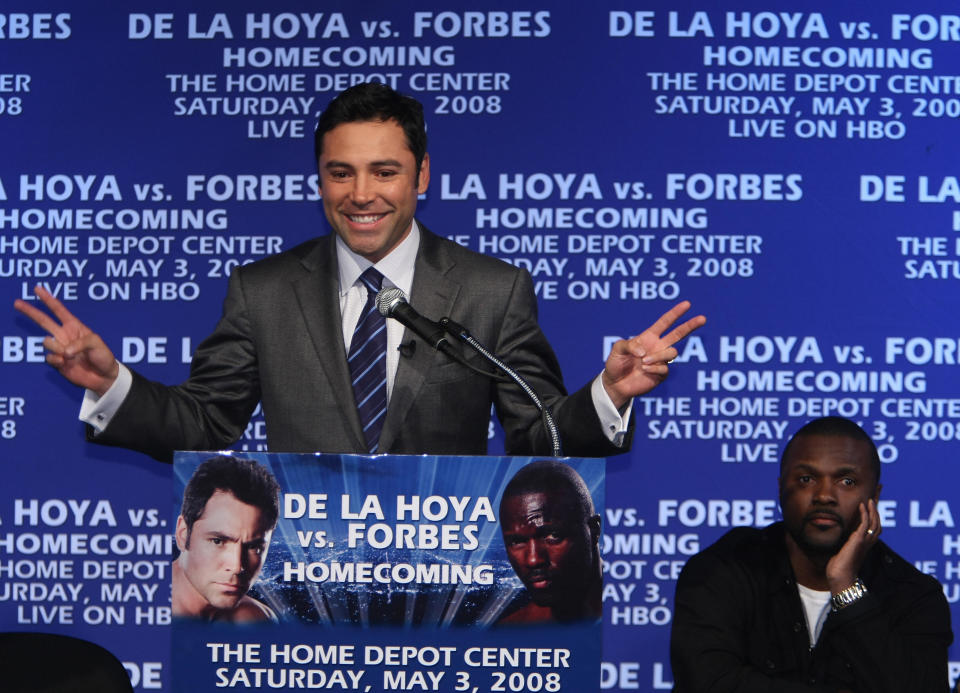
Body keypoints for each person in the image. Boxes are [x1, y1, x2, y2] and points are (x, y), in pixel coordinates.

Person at [13, 82, 705, 462]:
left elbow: (540, 438)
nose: (361, 194)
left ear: (422, 175)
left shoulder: (493, 289)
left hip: (446, 586)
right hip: (304, 588)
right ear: (319, 178)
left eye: (385, 171)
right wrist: (111, 384)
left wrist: (609, 393)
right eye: (340, 173)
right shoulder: (263, 290)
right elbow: (204, 422)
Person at [670, 416, 953, 692]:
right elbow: (707, 683)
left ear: (874, 497)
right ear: (781, 488)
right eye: (806, 479)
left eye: (847, 481)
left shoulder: (913, 595)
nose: (824, 495)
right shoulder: (722, 570)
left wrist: (846, 585)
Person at [173, 455, 281, 622]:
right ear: (183, 534)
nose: (237, 566)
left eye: (254, 547)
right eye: (218, 541)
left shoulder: (257, 621)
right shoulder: (141, 610)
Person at [498, 460, 601, 624]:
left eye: (553, 536)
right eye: (517, 542)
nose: (533, 560)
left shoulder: (637, 612)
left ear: (594, 531)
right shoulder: (510, 633)